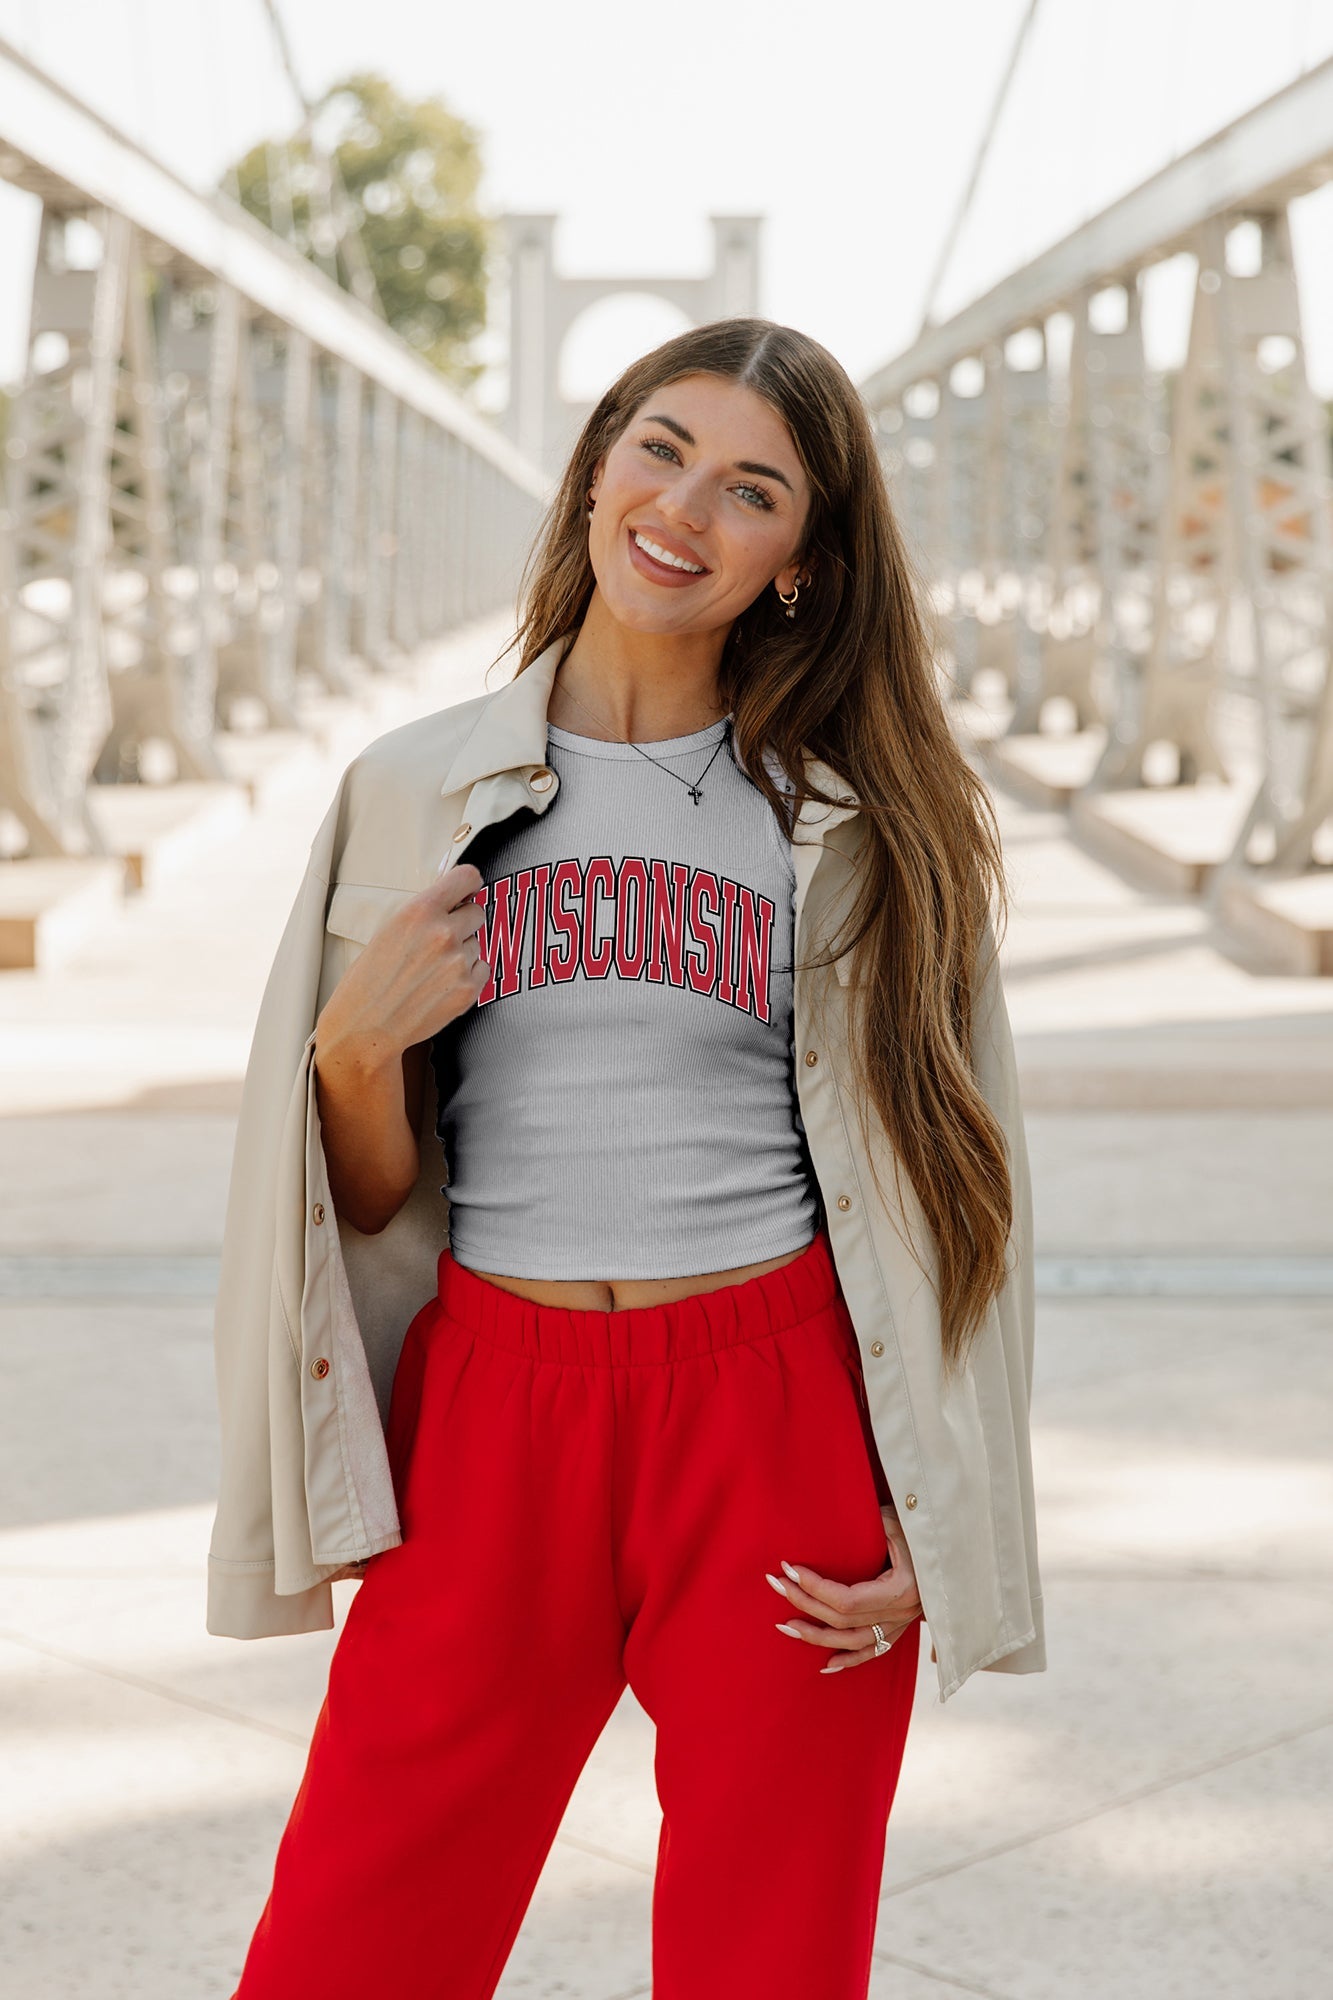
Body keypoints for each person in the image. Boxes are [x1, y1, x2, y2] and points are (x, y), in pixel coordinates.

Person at [212, 317, 1044, 2000]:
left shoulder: (863, 820)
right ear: (597, 462)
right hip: (492, 1418)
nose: (683, 508)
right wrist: (354, 1047)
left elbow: (962, 1186)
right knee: (349, 1944)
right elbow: (362, 1199)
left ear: (800, 561)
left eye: (752, 489)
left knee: (770, 1957)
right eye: (659, 448)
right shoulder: (407, 789)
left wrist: (932, 1497)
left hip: (773, 1420)